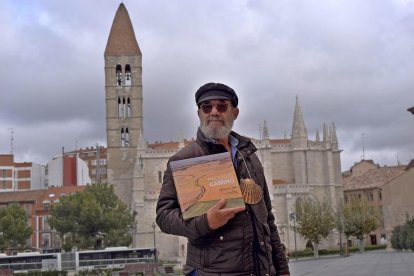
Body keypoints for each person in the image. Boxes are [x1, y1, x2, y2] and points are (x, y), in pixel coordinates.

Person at [156, 82, 290, 276]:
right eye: (207, 107)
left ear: (234, 113)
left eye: (222, 106)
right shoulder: (185, 159)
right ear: (199, 114)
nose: (214, 112)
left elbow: (267, 218)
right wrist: (206, 222)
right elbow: (163, 216)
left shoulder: (250, 156)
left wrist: (282, 269)